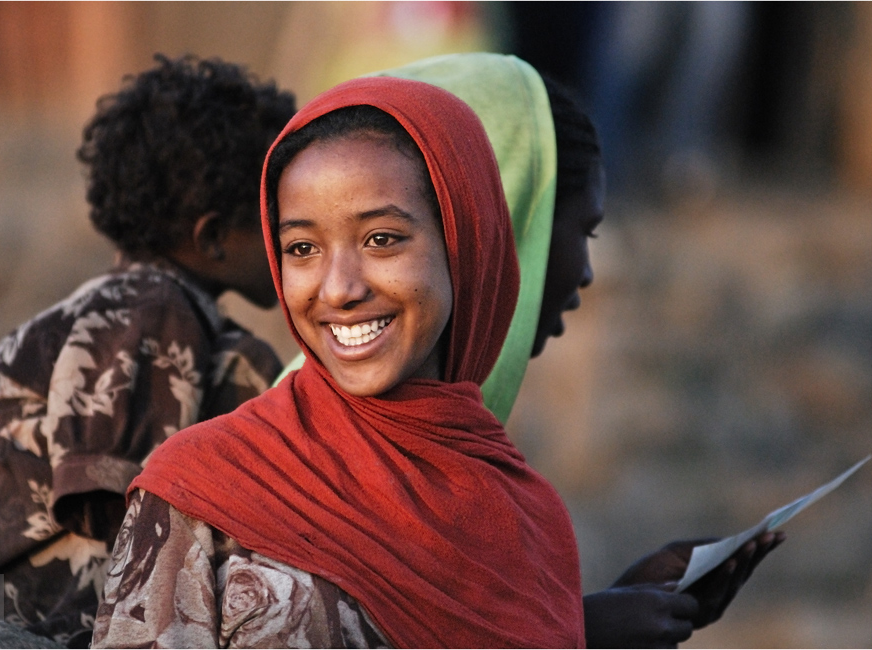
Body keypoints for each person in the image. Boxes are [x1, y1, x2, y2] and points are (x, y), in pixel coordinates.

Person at [265, 52, 784, 648]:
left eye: (381, 240)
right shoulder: (279, 468)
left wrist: (583, 618)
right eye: (582, 231)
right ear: (493, 226)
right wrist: (581, 636)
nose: (586, 272)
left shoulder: (484, 477)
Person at [93, 75, 586, 647]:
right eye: (302, 249)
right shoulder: (200, 492)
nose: (339, 289)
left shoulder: (527, 521)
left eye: (382, 239)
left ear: (467, 243)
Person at [0, 54, 294, 647]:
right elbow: (122, 509)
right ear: (213, 236)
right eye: (282, 214)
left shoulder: (148, 311)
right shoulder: (150, 309)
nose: (298, 233)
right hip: (41, 614)